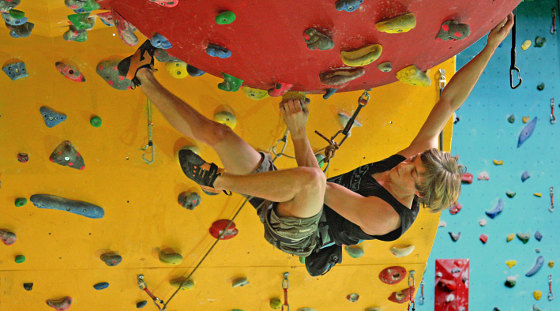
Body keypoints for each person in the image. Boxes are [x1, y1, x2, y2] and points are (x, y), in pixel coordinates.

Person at [117, 13, 514, 274]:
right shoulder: (417, 158)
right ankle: (140, 75)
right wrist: (491, 48)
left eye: (411, 172)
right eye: (414, 161)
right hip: (288, 192)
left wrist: (299, 130)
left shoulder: (386, 218)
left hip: (299, 232)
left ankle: (218, 182)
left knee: (310, 182)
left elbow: (317, 186)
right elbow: (448, 101)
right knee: (220, 135)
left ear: (418, 193)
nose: (404, 164)